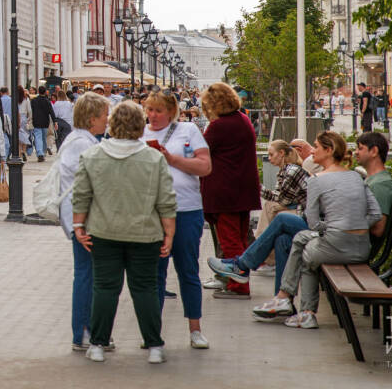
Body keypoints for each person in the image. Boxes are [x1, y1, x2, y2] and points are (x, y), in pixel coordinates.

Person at [72, 100, 177, 364]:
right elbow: (166, 200)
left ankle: (97, 344)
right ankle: (154, 346)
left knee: (104, 288)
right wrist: (169, 233)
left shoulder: (92, 156)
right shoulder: (154, 158)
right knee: (145, 289)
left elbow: (81, 195)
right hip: (145, 233)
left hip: (103, 232)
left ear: (112, 124)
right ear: (140, 126)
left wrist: (78, 226)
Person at [251, 131, 382, 329]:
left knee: (304, 247)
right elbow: (375, 214)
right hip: (362, 248)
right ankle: (293, 305)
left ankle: (294, 305)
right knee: (299, 241)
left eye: (317, 147)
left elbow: (312, 222)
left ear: (329, 150)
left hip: (336, 247)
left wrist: (332, 228)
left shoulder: (316, 180)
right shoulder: (356, 176)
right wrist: (353, 225)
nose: (312, 151)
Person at [142, 91, 212, 349]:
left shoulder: (188, 130)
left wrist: (172, 159)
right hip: (151, 212)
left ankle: (195, 329)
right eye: (149, 110)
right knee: (154, 273)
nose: (153, 116)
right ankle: (153, 332)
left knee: (188, 270)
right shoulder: (140, 134)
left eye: (158, 111)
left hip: (186, 209)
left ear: (171, 112)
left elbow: (205, 167)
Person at [57, 91, 109, 351]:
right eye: (104, 115)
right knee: (87, 275)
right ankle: (83, 331)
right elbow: (85, 184)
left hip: (81, 217)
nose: (107, 120)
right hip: (83, 219)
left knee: (88, 274)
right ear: (91, 119)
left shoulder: (82, 140)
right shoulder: (81, 143)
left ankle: (87, 329)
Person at [198, 82, 260, 298]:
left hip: (225, 192)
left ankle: (238, 286)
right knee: (240, 238)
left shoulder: (220, 126)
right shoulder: (243, 120)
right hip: (243, 190)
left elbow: (201, 151)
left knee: (230, 240)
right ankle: (237, 281)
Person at [254, 139, 309, 272]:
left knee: (271, 208)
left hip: (303, 213)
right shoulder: (286, 170)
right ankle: (263, 254)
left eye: (271, 154)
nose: (269, 158)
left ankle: (262, 254)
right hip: (300, 210)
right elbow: (281, 198)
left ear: (282, 153)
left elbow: (283, 201)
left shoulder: (291, 171)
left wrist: (258, 189)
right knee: (270, 207)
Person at [354, 131, 392, 240]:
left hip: (357, 244)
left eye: (360, 148)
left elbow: (378, 229)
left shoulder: (380, 184)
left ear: (374, 151)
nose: (356, 152)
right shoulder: (373, 180)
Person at [29, 86, 53, 161]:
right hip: (45, 122)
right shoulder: (47, 101)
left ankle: (40, 153)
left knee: (38, 138)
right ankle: (43, 152)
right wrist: (55, 121)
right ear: (45, 92)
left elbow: (31, 111)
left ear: (38, 92)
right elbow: (51, 112)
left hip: (36, 121)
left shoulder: (34, 101)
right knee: (43, 138)